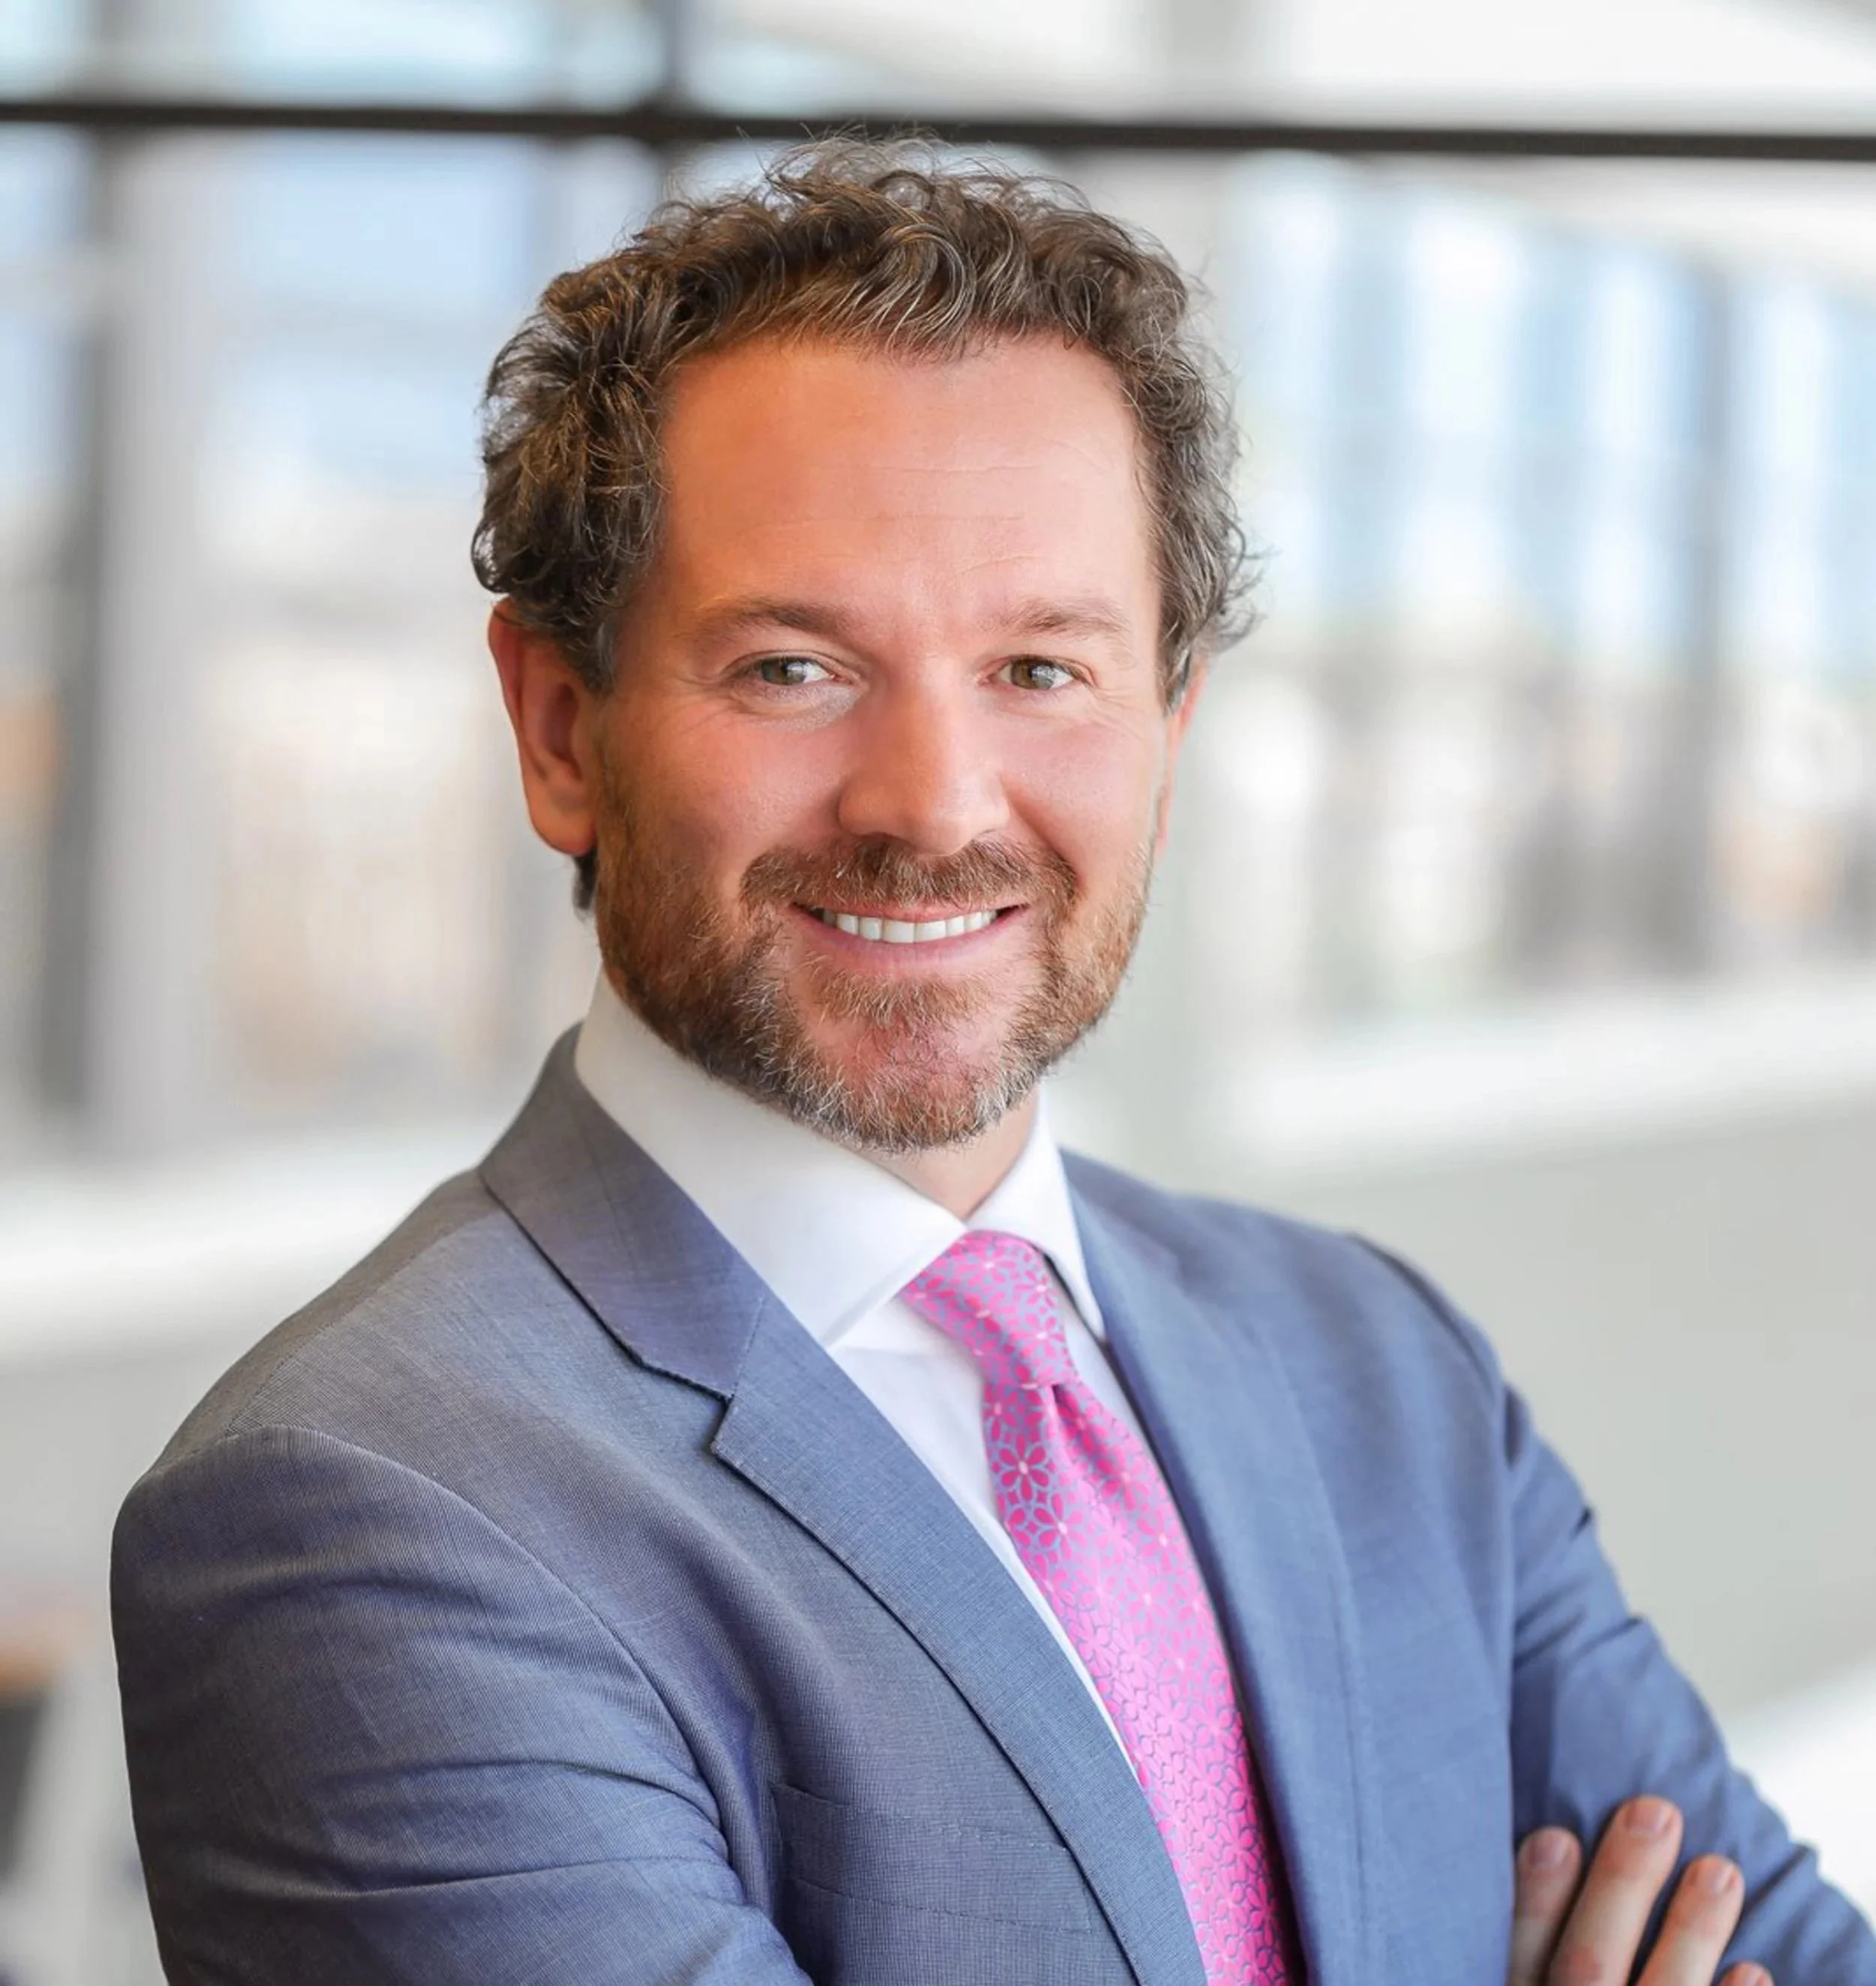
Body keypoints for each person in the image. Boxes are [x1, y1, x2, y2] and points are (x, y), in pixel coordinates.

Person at [112, 142, 1874, 1986]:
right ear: (561, 730)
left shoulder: (1374, 1366)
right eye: (791, 667)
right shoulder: (365, 1508)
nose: (933, 807)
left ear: (1167, 727)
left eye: (1040, 670)